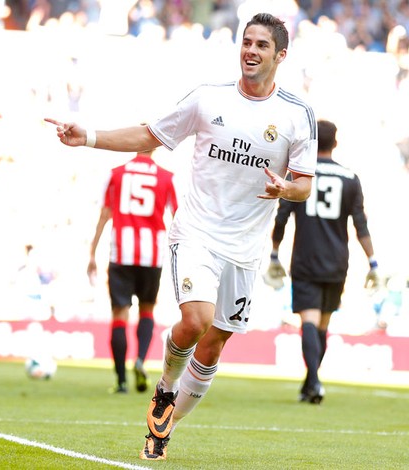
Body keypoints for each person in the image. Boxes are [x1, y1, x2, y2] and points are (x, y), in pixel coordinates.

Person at [45, 12, 317, 461]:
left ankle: (164, 423)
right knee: (195, 322)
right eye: (246, 42)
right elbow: (149, 133)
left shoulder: (297, 115)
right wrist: (88, 136)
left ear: (280, 55)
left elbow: (305, 183)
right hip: (197, 233)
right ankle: (166, 385)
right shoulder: (207, 100)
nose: (250, 50)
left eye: (261, 45)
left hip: (246, 249)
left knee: (213, 343)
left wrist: (287, 188)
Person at [267, 119, 379, 404]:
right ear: (336, 143)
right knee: (322, 325)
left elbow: (281, 217)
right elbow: (360, 224)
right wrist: (372, 261)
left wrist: (274, 252)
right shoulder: (351, 178)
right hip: (337, 260)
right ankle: (311, 383)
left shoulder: (299, 177)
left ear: (313, 142)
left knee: (309, 320)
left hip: (305, 257)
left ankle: (313, 381)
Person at [87, 148, 178, 394]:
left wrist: (92, 252)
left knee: (120, 313)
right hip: (152, 254)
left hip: (121, 252)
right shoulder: (167, 177)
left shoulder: (116, 174)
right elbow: (177, 216)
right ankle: (140, 360)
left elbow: (105, 213)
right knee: (147, 309)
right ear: (156, 146)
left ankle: (121, 381)